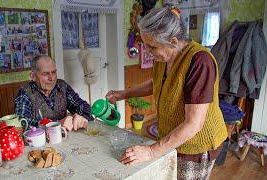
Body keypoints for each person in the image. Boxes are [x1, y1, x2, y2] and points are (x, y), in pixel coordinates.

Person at [106, 5, 227, 180]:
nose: (148, 51)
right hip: (172, 136)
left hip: (196, 145)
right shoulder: (165, 56)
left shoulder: (200, 61)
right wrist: (123, 94)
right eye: (145, 45)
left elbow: (193, 124)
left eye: (152, 47)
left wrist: (150, 151)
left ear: (174, 41)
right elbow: (158, 83)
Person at [15, 55, 91, 131]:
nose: (51, 78)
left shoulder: (62, 86)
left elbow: (82, 105)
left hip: (65, 137)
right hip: (42, 141)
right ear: (33, 76)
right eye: (45, 74)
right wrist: (56, 124)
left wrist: (80, 117)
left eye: (54, 72)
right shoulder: (25, 92)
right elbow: (22, 123)